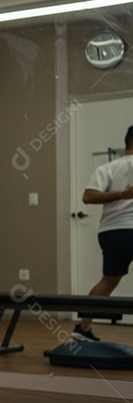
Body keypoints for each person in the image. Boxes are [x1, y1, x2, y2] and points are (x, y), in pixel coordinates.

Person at [76, 126, 133, 342]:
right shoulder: (107, 167)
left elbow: (88, 196)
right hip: (119, 229)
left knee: (109, 280)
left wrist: (120, 194)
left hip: (112, 233)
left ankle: (83, 327)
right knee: (109, 280)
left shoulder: (107, 168)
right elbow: (88, 197)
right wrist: (126, 194)